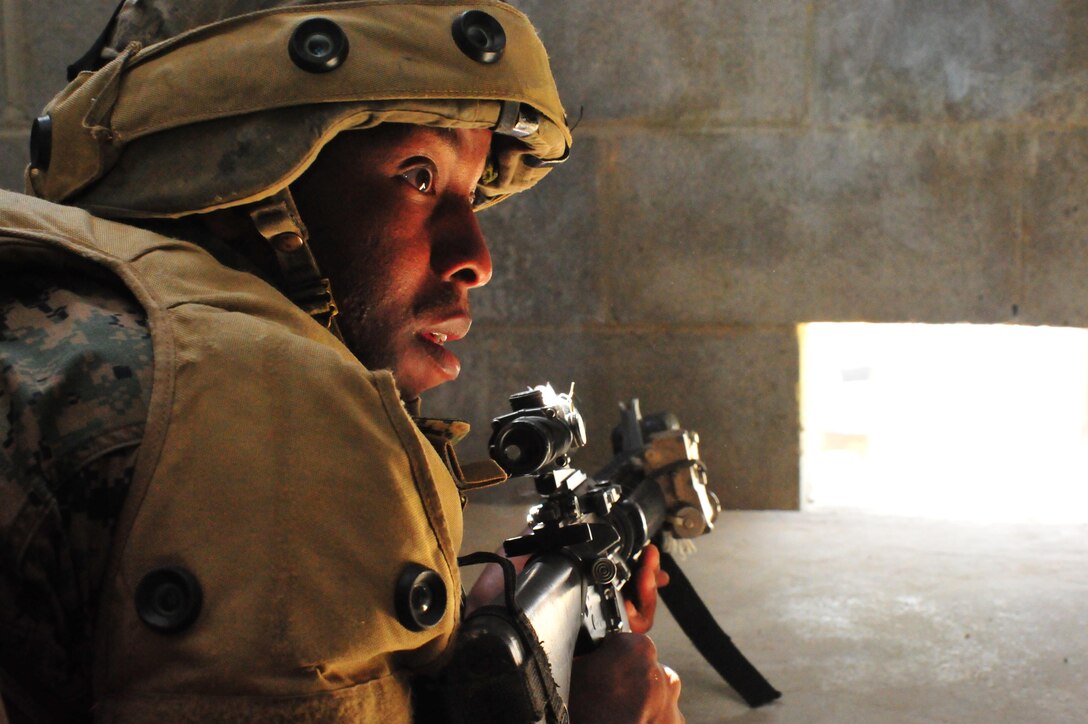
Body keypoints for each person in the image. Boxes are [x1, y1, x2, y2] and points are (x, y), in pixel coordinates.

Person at [0, 1, 683, 721]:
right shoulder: (267, 419)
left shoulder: (64, 305)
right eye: (418, 177)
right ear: (242, 190)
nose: (476, 260)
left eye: (474, 192)